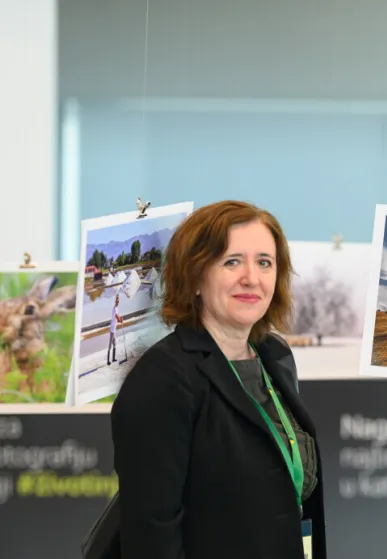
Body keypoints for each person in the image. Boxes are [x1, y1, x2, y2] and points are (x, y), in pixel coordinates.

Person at [110, 200, 327, 558]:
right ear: (195, 277)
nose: (251, 278)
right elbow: (151, 538)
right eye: (231, 261)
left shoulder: (274, 356)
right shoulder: (162, 379)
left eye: (264, 262)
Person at [106, 293, 123, 365]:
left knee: (115, 344)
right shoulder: (114, 308)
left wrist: (120, 318)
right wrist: (120, 320)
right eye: (117, 300)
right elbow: (117, 317)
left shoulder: (116, 308)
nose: (118, 302)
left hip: (114, 330)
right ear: (115, 301)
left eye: (118, 300)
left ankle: (113, 359)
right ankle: (108, 361)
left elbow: (118, 316)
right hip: (112, 330)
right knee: (110, 345)